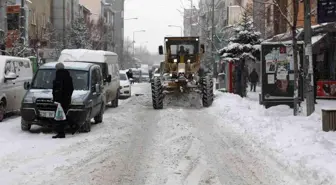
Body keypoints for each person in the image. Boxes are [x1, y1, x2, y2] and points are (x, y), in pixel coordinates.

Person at [52, 62, 74, 139]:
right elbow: (71, 89)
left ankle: (61, 133)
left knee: (60, 117)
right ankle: (73, 126)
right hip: (66, 99)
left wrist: (57, 100)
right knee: (63, 115)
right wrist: (68, 97)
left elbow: (58, 89)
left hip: (60, 100)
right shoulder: (68, 76)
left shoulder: (59, 76)